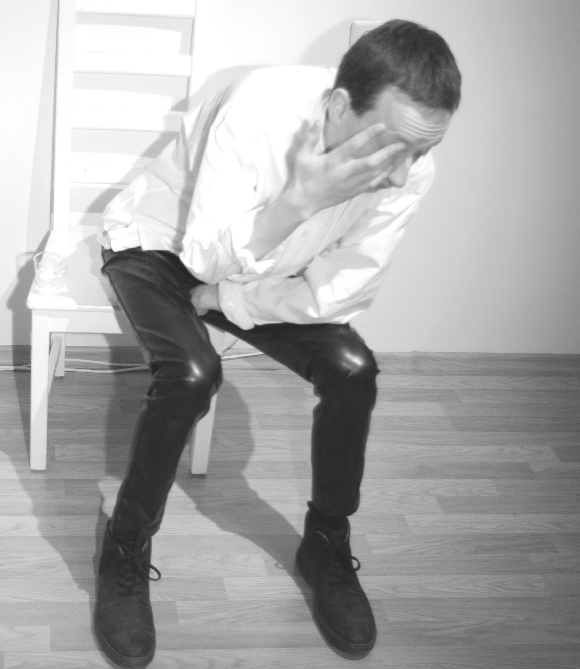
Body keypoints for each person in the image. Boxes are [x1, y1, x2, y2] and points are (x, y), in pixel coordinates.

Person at [93, 19, 461, 667]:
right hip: (158, 244)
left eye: (422, 151)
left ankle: (325, 542)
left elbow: (342, 289)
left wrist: (230, 301)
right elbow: (204, 257)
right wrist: (299, 200)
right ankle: (125, 545)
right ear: (339, 106)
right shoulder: (257, 111)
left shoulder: (410, 169)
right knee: (192, 373)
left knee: (354, 369)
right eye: (392, 146)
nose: (402, 172)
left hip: (258, 276)